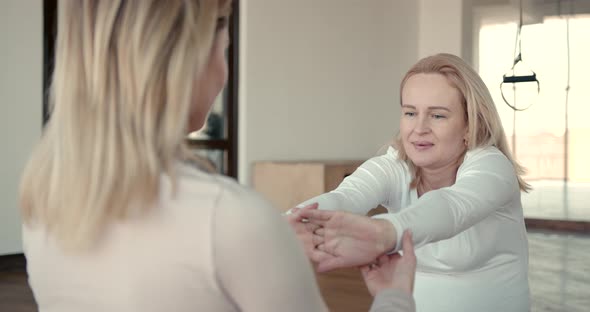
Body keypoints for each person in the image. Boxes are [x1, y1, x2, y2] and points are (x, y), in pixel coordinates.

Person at [19, 1, 416, 311]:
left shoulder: (43, 199)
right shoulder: (229, 217)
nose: (223, 72)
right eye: (224, 49)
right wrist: (394, 296)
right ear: (189, 59)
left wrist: (265, 253)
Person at [291, 53, 531, 312]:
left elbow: (451, 207)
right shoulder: (394, 166)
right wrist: (286, 225)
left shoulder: (492, 167)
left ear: (469, 126)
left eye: (437, 116)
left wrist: (384, 232)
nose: (419, 128)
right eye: (410, 113)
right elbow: (345, 197)